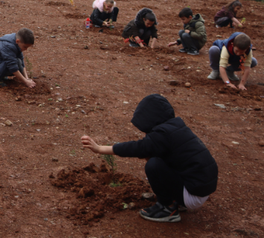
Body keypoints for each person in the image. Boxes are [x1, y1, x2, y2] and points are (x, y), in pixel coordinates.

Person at [81, 94, 218, 223]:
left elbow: (136, 148)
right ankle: (174, 199)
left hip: (193, 193)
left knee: (154, 164)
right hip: (200, 186)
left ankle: (168, 208)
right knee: (155, 157)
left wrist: (100, 149)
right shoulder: (176, 127)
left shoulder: (162, 135)